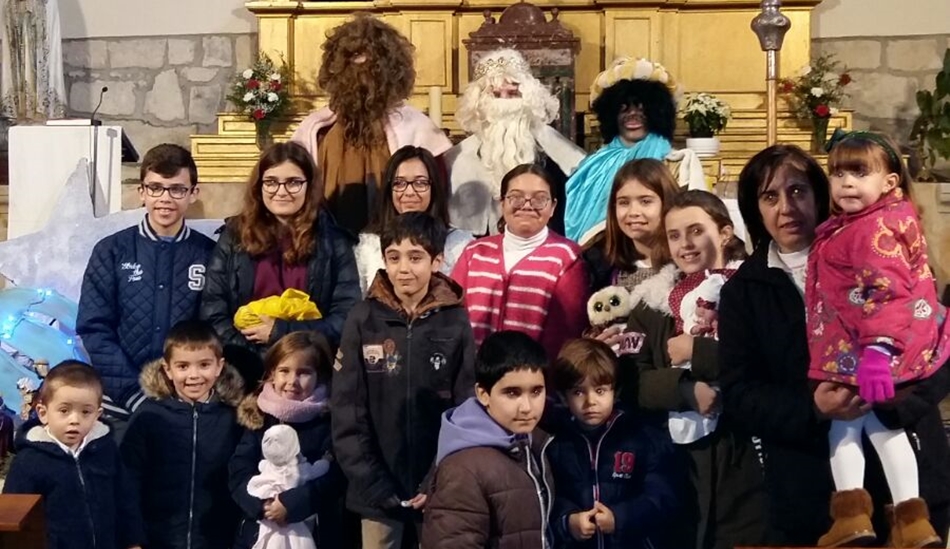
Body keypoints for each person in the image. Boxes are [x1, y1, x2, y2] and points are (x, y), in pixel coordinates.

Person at [718, 144, 950, 546]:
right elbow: (740, 393)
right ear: (755, 209)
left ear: (821, 192)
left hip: (912, 482)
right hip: (812, 498)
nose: (786, 208)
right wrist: (813, 407)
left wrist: (896, 398)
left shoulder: (883, 251)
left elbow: (938, 345)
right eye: (770, 196)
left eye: (798, 190)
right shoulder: (745, 291)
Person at [805, 131, 949, 547]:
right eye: (838, 173)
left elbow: (887, 293)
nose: (846, 183)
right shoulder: (867, 222)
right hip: (865, 346)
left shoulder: (874, 228)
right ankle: (903, 520)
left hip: (870, 351)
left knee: (853, 426)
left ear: (889, 182)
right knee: (872, 428)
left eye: (859, 172)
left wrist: (877, 352)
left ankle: (861, 516)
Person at [626, 190, 767, 549]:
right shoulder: (651, 304)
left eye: (696, 231)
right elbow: (630, 377)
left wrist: (698, 351)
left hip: (744, 456)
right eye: (674, 235)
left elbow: (770, 361)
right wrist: (684, 389)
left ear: (724, 233)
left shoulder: (758, 290)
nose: (685, 245)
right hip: (677, 464)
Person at [333, 211, 476, 549]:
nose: (403, 268)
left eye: (415, 257)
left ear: (437, 261)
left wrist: (437, 479)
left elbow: (465, 409)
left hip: (438, 489)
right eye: (394, 257)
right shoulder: (363, 318)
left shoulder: (455, 321)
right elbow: (347, 410)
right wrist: (373, 483)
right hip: (376, 491)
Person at [78, 144, 214, 439]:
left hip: (186, 404)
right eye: (155, 188)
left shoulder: (209, 254)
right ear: (141, 192)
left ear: (193, 193)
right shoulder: (111, 251)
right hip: (120, 406)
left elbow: (214, 329)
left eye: (177, 189)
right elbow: (94, 328)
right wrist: (134, 393)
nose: (165, 198)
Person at [200, 141, 361, 387]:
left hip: (309, 374)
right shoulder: (234, 236)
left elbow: (346, 315)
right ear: (259, 186)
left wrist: (280, 332)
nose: (281, 191)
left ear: (309, 186)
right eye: (271, 182)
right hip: (243, 370)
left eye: (293, 182)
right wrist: (255, 359)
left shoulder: (334, 241)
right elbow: (213, 310)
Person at [291, 14, 452, 235]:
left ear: (389, 68)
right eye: (354, 56)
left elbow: (437, 192)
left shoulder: (415, 126)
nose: (361, 66)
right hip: (328, 241)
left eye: (371, 59)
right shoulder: (317, 130)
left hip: (401, 240)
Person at [421, 330, 553, 549]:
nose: (527, 407)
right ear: (483, 394)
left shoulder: (532, 443)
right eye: (512, 393)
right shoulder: (464, 468)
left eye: (536, 391)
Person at [120, 320, 244, 549]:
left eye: (204, 365)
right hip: (157, 540)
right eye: (183, 366)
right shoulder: (148, 416)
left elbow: (242, 479)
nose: (194, 375)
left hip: (217, 540)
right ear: (168, 369)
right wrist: (132, 538)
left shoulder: (233, 419)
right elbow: (127, 481)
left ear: (219, 366)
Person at [548, 338, 679, 549]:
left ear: (615, 391)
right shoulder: (553, 443)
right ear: (563, 397)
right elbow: (546, 497)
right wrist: (568, 521)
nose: (590, 401)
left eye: (600, 390)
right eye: (578, 392)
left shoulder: (642, 437)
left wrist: (619, 518)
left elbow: (662, 497)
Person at [452, 163, 589, 360]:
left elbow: (565, 335)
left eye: (539, 199)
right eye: (516, 197)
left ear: (553, 207)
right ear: (502, 203)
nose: (526, 205)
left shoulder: (566, 257)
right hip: (473, 374)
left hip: (532, 375)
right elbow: (453, 317)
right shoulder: (475, 252)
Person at [3, 361, 144, 549]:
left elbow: (125, 499)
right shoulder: (28, 461)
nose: (75, 420)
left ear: (97, 414)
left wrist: (133, 541)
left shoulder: (106, 450)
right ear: (43, 413)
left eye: (86, 412)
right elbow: (15, 515)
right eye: (64, 410)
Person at [565, 57, 705, 245]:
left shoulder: (677, 162)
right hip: (597, 252)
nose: (632, 114)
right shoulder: (592, 164)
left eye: (642, 108)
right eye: (624, 108)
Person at [447, 48, 586, 236]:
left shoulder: (553, 147)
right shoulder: (457, 158)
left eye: (512, 93)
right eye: (496, 95)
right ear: (479, 102)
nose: (504, 104)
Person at [230, 331, 346, 549]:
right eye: (284, 371)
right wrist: (262, 504)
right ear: (272, 374)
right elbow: (239, 469)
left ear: (319, 376)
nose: (292, 381)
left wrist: (292, 504)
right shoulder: (258, 418)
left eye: (304, 373)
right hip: (258, 530)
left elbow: (335, 475)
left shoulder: (329, 422)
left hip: (315, 531)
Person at [354, 146, 474, 294]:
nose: (409, 192)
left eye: (420, 183)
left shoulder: (459, 245)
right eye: (399, 183)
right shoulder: (369, 245)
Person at [585, 158, 682, 292]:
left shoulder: (689, 261)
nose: (633, 212)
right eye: (624, 203)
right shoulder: (596, 263)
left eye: (645, 202)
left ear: (667, 203)